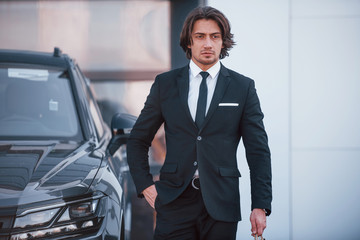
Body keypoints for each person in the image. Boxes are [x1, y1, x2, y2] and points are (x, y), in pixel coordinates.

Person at [127, 6, 272, 240]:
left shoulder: (242, 87)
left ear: (223, 42)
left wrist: (260, 205)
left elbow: (258, 151)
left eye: (215, 37)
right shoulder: (166, 84)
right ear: (189, 42)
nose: (208, 43)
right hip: (174, 201)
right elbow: (138, 140)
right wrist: (145, 185)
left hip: (222, 204)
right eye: (200, 36)